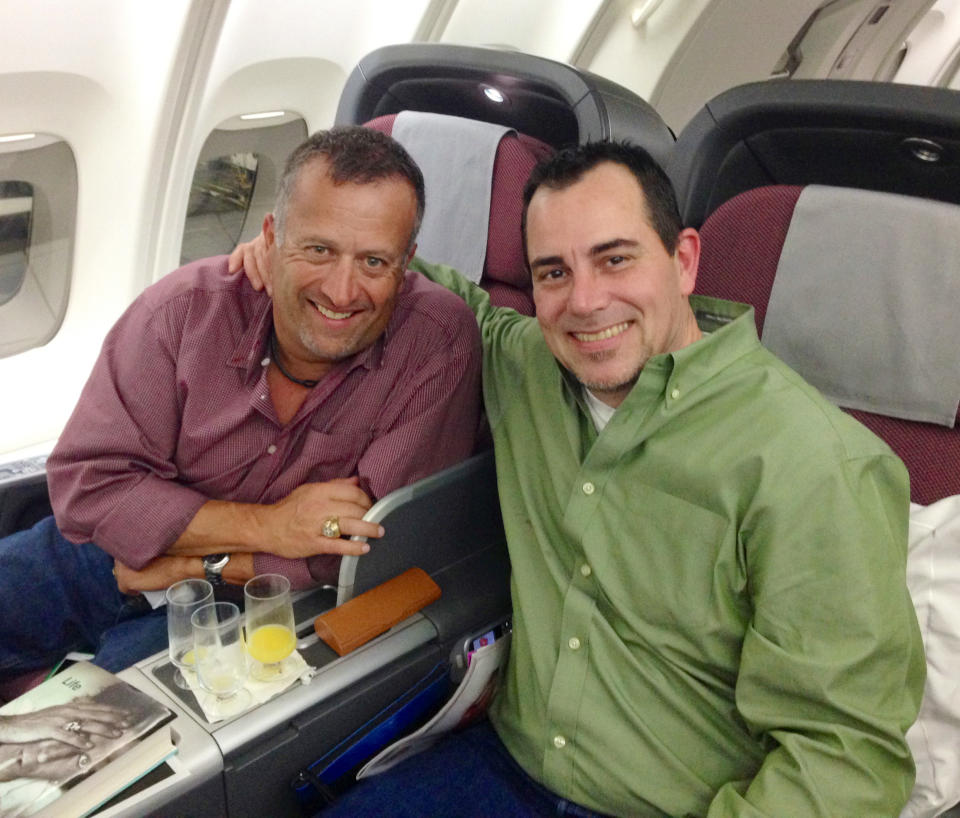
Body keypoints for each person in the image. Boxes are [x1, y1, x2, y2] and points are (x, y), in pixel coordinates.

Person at [232, 139, 925, 816]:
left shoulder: (818, 466)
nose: (585, 302)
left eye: (614, 259)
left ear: (683, 261)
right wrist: (299, 259)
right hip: (500, 761)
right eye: (553, 273)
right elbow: (428, 292)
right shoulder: (527, 361)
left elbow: (845, 756)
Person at [0, 126, 482, 678]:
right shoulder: (185, 311)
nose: (343, 291)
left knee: (96, 748)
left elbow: (366, 546)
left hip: (259, 603)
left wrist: (193, 565)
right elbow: (90, 489)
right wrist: (272, 526)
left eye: (374, 262)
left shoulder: (435, 345)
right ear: (272, 237)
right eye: (319, 250)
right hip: (99, 556)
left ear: (407, 261)